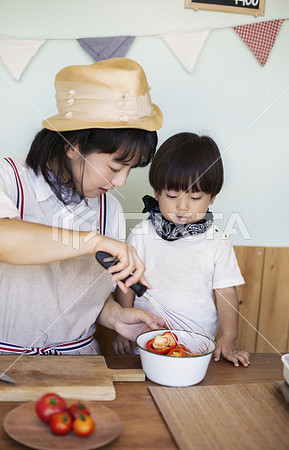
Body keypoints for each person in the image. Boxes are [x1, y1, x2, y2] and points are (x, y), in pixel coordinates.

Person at [0, 57, 165, 356]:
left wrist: (115, 317)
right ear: (73, 145)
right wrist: (93, 241)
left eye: (131, 170)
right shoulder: (8, 179)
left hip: (82, 363)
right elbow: (4, 238)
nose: (122, 182)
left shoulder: (109, 211)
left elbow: (83, 299)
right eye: (116, 166)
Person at [113, 132, 250, 367]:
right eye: (172, 195)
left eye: (195, 197)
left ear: (212, 197)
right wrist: (120, 329)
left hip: (196, 348)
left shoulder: (218, 241)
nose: (182, 206)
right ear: (156, 193)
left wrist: (229, 337)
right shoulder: (141, 235)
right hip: (145, 344)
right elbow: (126, 282)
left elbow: (226, 294)